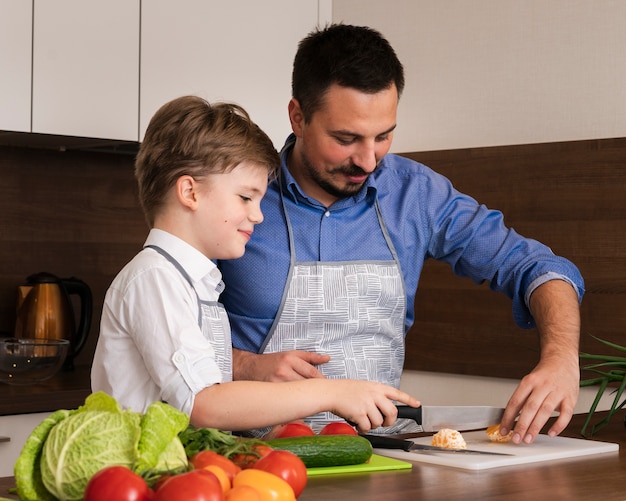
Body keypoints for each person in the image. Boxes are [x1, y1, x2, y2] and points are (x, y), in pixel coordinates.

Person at [217, 24, 584, 443]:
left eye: (384, 136)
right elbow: (165, 339)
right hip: (252, 460)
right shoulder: (239, 196)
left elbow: (537, 266)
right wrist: (244, 365)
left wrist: (560, 358)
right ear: (298, 117)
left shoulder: (417, 195)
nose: (368, 161)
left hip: (383, 454)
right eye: (346, 139)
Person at [91, 95, 419, 432]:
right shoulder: (155, 279)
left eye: (260, 199)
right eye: (246, 197)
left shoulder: (194, 281)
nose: (258, 215)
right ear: (189, 192)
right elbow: (204, 405)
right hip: (142, 479)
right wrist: (330, 392)